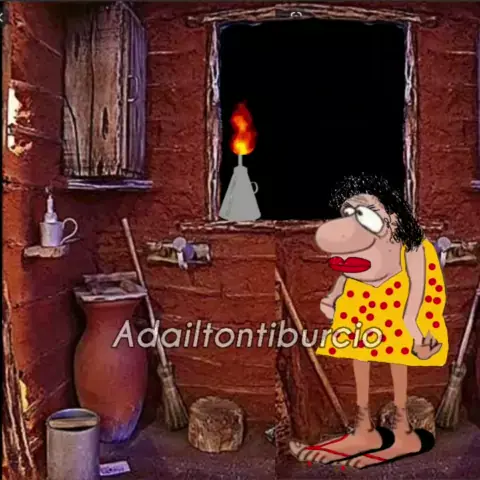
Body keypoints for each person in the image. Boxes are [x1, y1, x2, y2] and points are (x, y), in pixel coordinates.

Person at [289, 173, 448, 469]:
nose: (353, 219)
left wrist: (415, 330)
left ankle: (403, 433)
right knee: (358, 351)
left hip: (397, 300)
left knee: (397, 356)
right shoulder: (363, 240)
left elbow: (419, 287)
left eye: (363, 211)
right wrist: (333, 297)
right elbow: (348, 269)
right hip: (363, 302)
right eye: (349, 211)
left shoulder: (410, 242)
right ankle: (364, 431)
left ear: (392, 216)